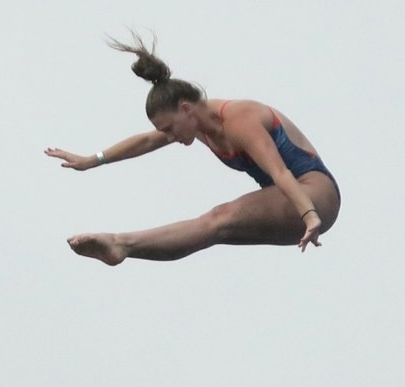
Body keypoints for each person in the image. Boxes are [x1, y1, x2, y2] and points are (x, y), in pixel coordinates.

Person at [45, 32, 340, 266]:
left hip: (312, 195)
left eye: (170, 128)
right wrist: (91, 160)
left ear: (186, 109)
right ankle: (122, 246)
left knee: (219, 218)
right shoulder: (197, 124)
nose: (170, 136)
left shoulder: (239, 118)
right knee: (212, 228)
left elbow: (279, 171)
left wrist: (310, 215)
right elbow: (147, 140)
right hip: (293, 204)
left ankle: (122, 243)